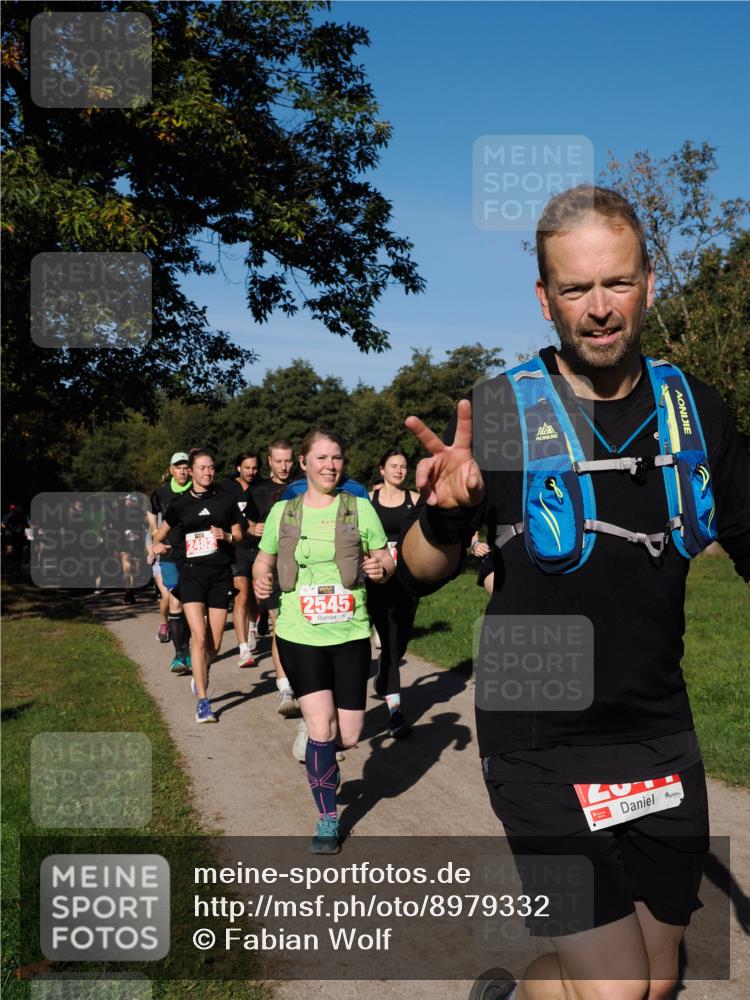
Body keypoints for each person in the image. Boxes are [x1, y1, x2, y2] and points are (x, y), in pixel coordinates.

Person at [399, 185, 750, 1000]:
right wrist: (446, 517)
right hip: (538, 736)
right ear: (544, 298)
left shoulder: (694, 410)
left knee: (656, 982)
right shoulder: (498, 409)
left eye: (617, 283)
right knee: (619, 991)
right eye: (576, 289)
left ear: (649, 284)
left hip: (658, 727)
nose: (599, 309)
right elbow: (420, 570)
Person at [253, 429, 394, 853]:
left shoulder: (360, 509)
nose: (330, 465)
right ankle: (327, 818)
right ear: (304, 463)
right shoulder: (284, 512)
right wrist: (261, 577)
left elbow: (385, 555)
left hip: (350, 632)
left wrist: (381, 568)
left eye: (336, 458)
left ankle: (321, 749)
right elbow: (264, 557)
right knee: (321, 725)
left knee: (348, 734)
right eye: (321, 458)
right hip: (299, 632)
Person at [152, 449, 244, 723]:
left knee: (214, 643)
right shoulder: (180, 504)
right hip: (191, 575)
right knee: (199, 637)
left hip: (219, 575)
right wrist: (156, 544)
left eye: (212, 468)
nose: (208, 472)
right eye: (202, 468)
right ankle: (203, 701)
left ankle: (202, 670)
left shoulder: (226, 501)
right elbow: (160, 533)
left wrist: (226, 535)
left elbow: (239, 535)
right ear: (191, 471)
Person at [367, 449, 422, 737]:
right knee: (389, 642)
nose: (399, 471)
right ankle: (395, 714)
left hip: (406, 582)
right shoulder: (368, 500)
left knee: (399, 644)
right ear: (382, 469)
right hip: (376, 581)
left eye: (403, 466)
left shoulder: (415, 500)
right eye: (393, 466)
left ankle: (383, 677)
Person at [245, 438, 301, 717]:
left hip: (304, 566)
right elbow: (248, 524)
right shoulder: (257, 490)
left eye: (288, 460)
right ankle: (285, 687)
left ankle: (305, 680)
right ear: (269, 462)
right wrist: (253, 529)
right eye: (278, 461)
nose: (283, 466)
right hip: (274, 566)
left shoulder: (303, 486)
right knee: (280, 624)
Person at [148, 453, 193, 672]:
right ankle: (180, 654)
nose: (183, 471)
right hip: (169, 553)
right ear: (171, 469)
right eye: (179, 467)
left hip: (195, 554)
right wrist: (154, 545)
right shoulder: (161, 493)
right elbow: (153, 524)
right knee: (175, 601)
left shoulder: (200, 489)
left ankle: (191, 650)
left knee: (192, 606)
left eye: (186, 467)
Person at [218, 451, 261, 668]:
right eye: (247, 468)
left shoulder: (262, 487)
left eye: (254, 468)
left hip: (261, 549)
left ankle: (253, 624)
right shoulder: (225, 488)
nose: (251, 472)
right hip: (237, 549)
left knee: (256, 593)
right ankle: (244, 649)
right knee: (241, 595)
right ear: (238, 468)